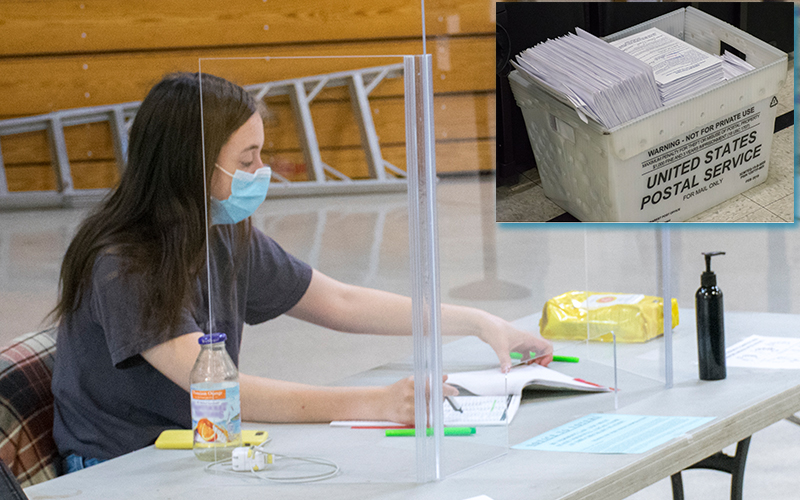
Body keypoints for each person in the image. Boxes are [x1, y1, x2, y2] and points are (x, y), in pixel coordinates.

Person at [50, 72, 553, 471]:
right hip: (120, 466)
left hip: (199, 446)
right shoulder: (122, 264)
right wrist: (376, 403)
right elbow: (221, 392)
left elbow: (339, 302)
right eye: (247, 160)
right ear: (192, 167)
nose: (261, 171)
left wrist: (477, 322)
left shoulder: (220, 229)